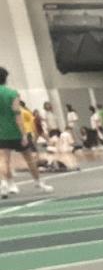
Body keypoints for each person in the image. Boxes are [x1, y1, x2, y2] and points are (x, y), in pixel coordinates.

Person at [0, 68, 53, 197]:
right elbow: (17, 115)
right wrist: (23, 134)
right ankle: (38, 182)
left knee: (4, 160)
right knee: (29, 159)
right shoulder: (12, 93)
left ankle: (6, 184)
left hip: (2, 132)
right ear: (6, 78)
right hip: (16, 132)